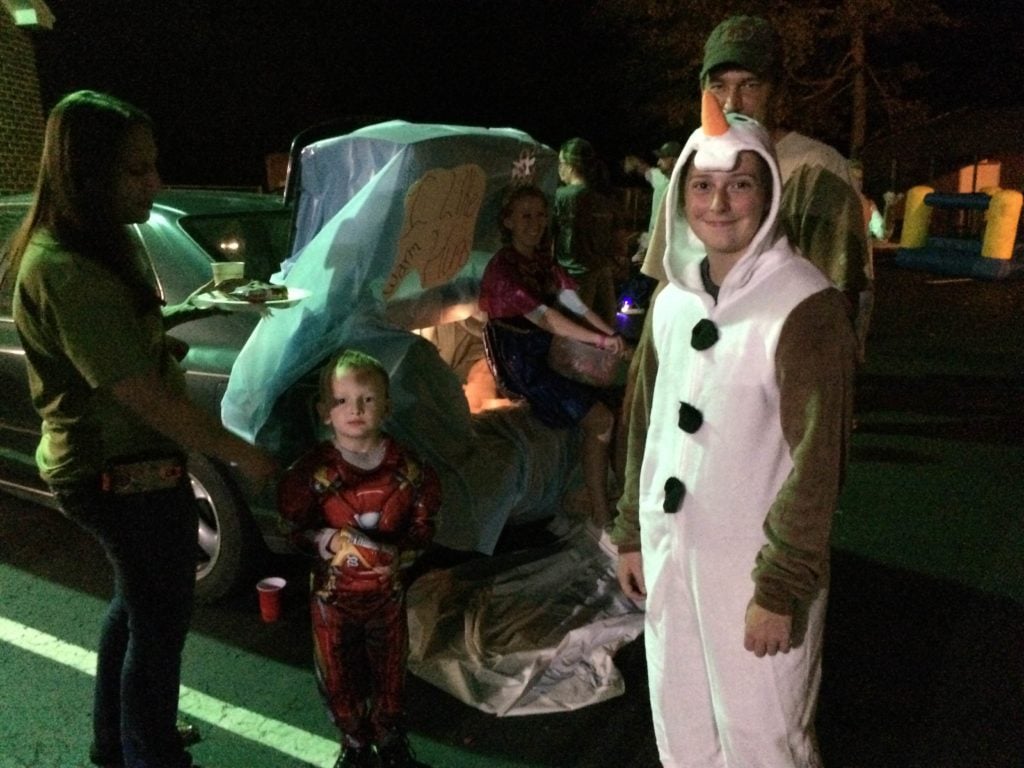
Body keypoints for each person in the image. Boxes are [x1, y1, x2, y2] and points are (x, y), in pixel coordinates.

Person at [6, 90, 278, 768]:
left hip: (127, 466)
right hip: (116, 470)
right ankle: (150, 751)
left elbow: (126, 339)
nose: (153, 182)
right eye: (135, 170)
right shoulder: (63, 268)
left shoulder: (102, 242)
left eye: (153, 164)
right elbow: (140, 394)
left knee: (136, 608)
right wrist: (242, 454)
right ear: (85, 174)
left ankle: (117, 743)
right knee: (158, 624)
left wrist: (188, 309)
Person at [615, 91, 855, 766]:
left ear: (768, 192)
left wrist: (780, 586)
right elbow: (644, 423)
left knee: (763, 741)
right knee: (682, 730)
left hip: (754, 576)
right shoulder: (671, 299)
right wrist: (631, 529)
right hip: (670, 561)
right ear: (681, 195)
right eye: (703, 185)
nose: (719, 203)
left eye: (740, 184)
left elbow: (818, 465)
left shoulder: (806, 306)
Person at [615, 13, 869, 559]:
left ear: (778, 91)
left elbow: (835, 313)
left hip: (765, 412)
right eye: (718, 85)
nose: (733, 100)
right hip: (692, 423)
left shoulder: (816, 170)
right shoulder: (696, 161)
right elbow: (667, 288)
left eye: (750, 84)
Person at [277, 349, 440, 768]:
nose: (356, 409)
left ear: (387, 406)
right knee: (337, 678)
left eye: (368, 399)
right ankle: (354, 745)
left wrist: (400, 555)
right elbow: (291, 528)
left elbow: (424, 527)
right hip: (332, 600)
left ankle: (390, 741)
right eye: (342, 400)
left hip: (388, 597)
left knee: (391, 676)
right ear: (324, 411)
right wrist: (328, 540)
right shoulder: (310, 473)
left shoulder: (410, 468)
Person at [479, 184, 627, 530]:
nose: (535, 224)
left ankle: (620, 496)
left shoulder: (542, 260)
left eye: (540, 215)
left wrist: (609, 333)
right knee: (600, 419)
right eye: (525, 216)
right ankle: (601, 514)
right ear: (508, 221)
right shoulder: (503, 269)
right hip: (523, 363)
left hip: (550, 351)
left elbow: (572, 301)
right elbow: (547, 318)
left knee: (619, 398)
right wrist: (599, 340)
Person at [553, 137, 626, 326]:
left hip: (574, 279)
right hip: (603, 278)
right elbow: (619, 240)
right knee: (603, 331)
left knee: (571, 333)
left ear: (570, 166)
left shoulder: (562, 196)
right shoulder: (607, 198)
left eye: (560, 163)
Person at [849, 157, 884, 362]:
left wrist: (889, 208)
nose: (858, 182)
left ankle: (856, 350)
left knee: (860, 314)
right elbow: (882, 232)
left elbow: (882, 232)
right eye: (855, 177)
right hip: (850, 270)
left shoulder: (867, 205)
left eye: (860, 178)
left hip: (859, 270)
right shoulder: (859, 204)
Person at [623, 140, 683, 260]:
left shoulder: (686, 187)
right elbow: (645, 169)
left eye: (663, 158)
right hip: (654, 245)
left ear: (675, 160)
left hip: (672, 250)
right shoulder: (659, 177)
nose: (658, 162)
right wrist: (634, 161)